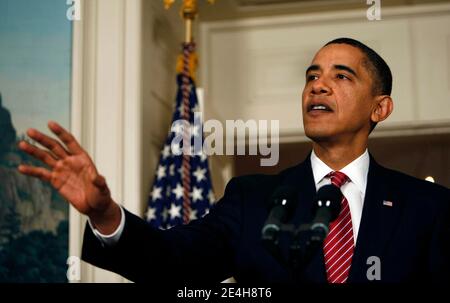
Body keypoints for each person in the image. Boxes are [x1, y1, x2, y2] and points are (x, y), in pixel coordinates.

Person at [18, 38, 450, 283]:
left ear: (381, 108)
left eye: (341, 76)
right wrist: (106, 215)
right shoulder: (253, 199)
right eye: (312, 76)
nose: (318, 86)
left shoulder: (429, 208)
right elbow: (174, 261)